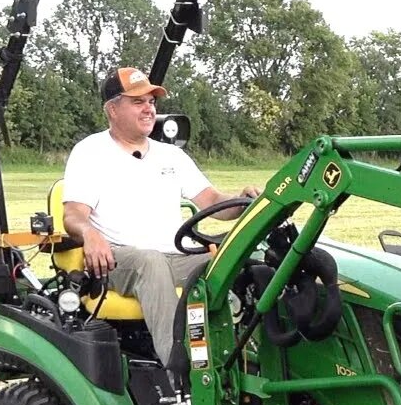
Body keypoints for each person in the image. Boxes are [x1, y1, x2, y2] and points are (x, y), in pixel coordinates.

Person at [61, 67, 260, 371]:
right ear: (112, 109)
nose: (149, 108)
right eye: (138, 101)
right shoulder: (90, 152)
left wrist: (242, 201)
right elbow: (73, 215)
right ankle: (181, 369)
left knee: (245, 260)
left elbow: (213, 203)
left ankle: (252, 360)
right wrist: (89, 234)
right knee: (150, 262)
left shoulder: (171, 156)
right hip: (118, 259)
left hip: (175, 255)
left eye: (152, 101)